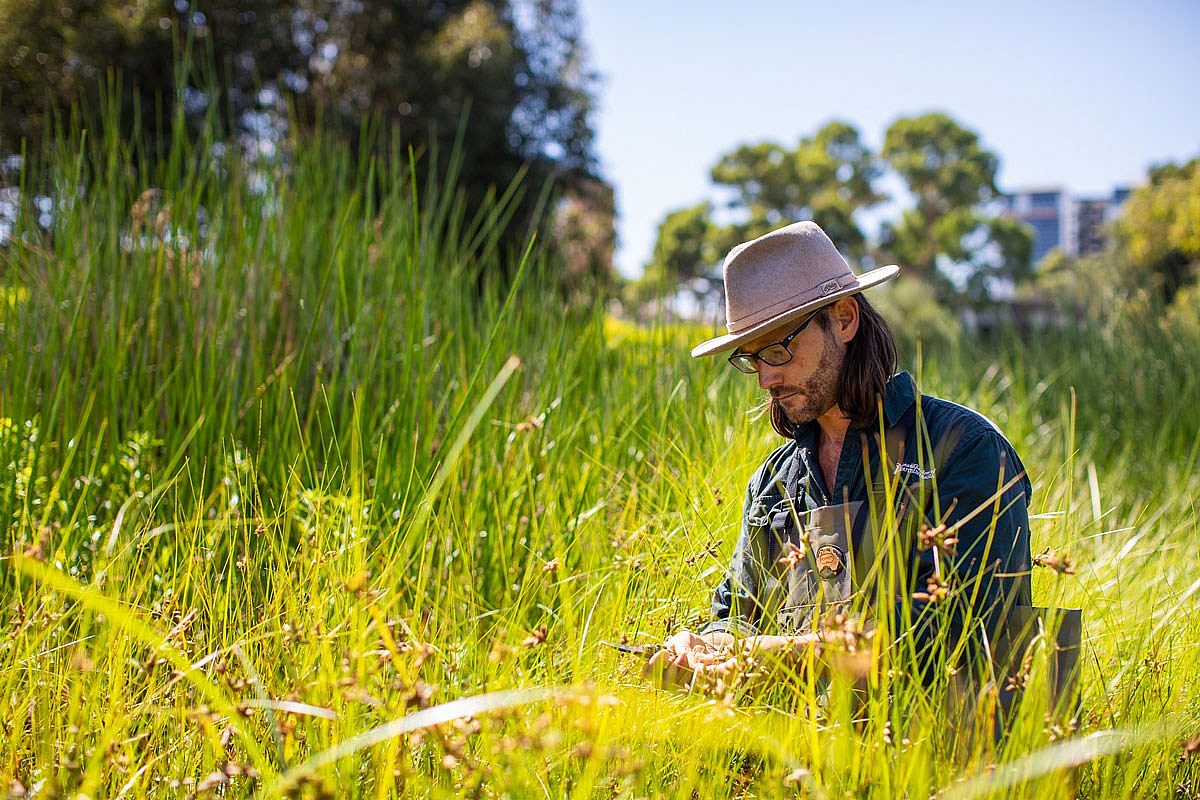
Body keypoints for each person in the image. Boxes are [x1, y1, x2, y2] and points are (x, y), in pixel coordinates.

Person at [647, 220, 1033, 693]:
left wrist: (772, 657)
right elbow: (739, 614)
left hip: (950, 758)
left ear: (845, 319)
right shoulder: (773, 484)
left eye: (778, 348)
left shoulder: (963, 449)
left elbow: (963, 629)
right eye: (751, 358)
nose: (766, 379)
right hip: (802, 764)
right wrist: (705, 645)